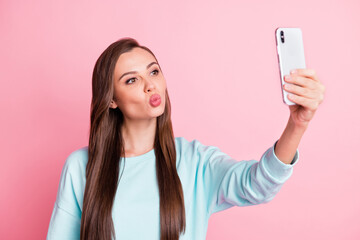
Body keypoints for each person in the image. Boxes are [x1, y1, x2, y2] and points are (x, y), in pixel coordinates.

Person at [46, 38, 325, 240]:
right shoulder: (81, 167)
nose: (150, 85)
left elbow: (258, 185)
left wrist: (297, 124)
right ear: (111, 100)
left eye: (153, 71)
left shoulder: (195, 162)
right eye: (132, 80)